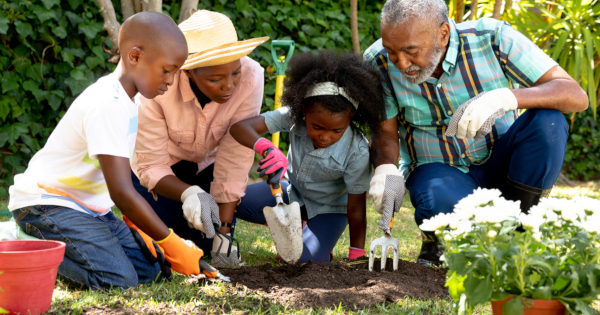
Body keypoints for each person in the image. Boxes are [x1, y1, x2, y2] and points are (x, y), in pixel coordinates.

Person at [364, 0, 589, 267]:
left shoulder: (492, 38)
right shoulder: (377, 61)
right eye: (392, 50)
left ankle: (520, 236)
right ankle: (438, 241)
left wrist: (506, 98)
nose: (400, 62)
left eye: (410, 50)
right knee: (440, 205)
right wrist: (386, 168)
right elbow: (385, 132)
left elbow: (575, 95)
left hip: (504, 163)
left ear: (443, 33)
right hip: (439, 170)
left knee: (548, 120)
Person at [7, 12, 217, 290]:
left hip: (89, 209)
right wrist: (171, 242)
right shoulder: (107, 102)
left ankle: (54, 244)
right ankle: (22, 245)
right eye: (166, 70)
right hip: (48, 204)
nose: (170, 80)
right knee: (118, 280)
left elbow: (115, 184)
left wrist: (146, 233)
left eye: (175, 72)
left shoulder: (132, 102)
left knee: (153, 270)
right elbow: (122, 191)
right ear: (135, 57)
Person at [130, 10, 269, 268]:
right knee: (165, 247)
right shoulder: (157, 86)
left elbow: (235, 155)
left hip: (208, 166)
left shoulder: (252, 76)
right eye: (216, 79)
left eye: (234, 73)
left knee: (206, 245)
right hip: (161, 173)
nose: (229, 85)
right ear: (188, 71)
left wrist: (225, 234)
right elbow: (151, 165)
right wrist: (189, 193)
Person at [229, 51, 385, 263]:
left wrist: (356, 252)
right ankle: (297, 226)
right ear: (303, 111)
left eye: (337, 131)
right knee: (233, 201)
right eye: (317, 127)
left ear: (350, 119)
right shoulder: (293, 116)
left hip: (330, 211)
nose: (325, 137)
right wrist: (266, 148)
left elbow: (356, 206)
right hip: (293, 194)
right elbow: (240, 128)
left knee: (300, 260)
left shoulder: (357, 151)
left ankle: (315, 237)